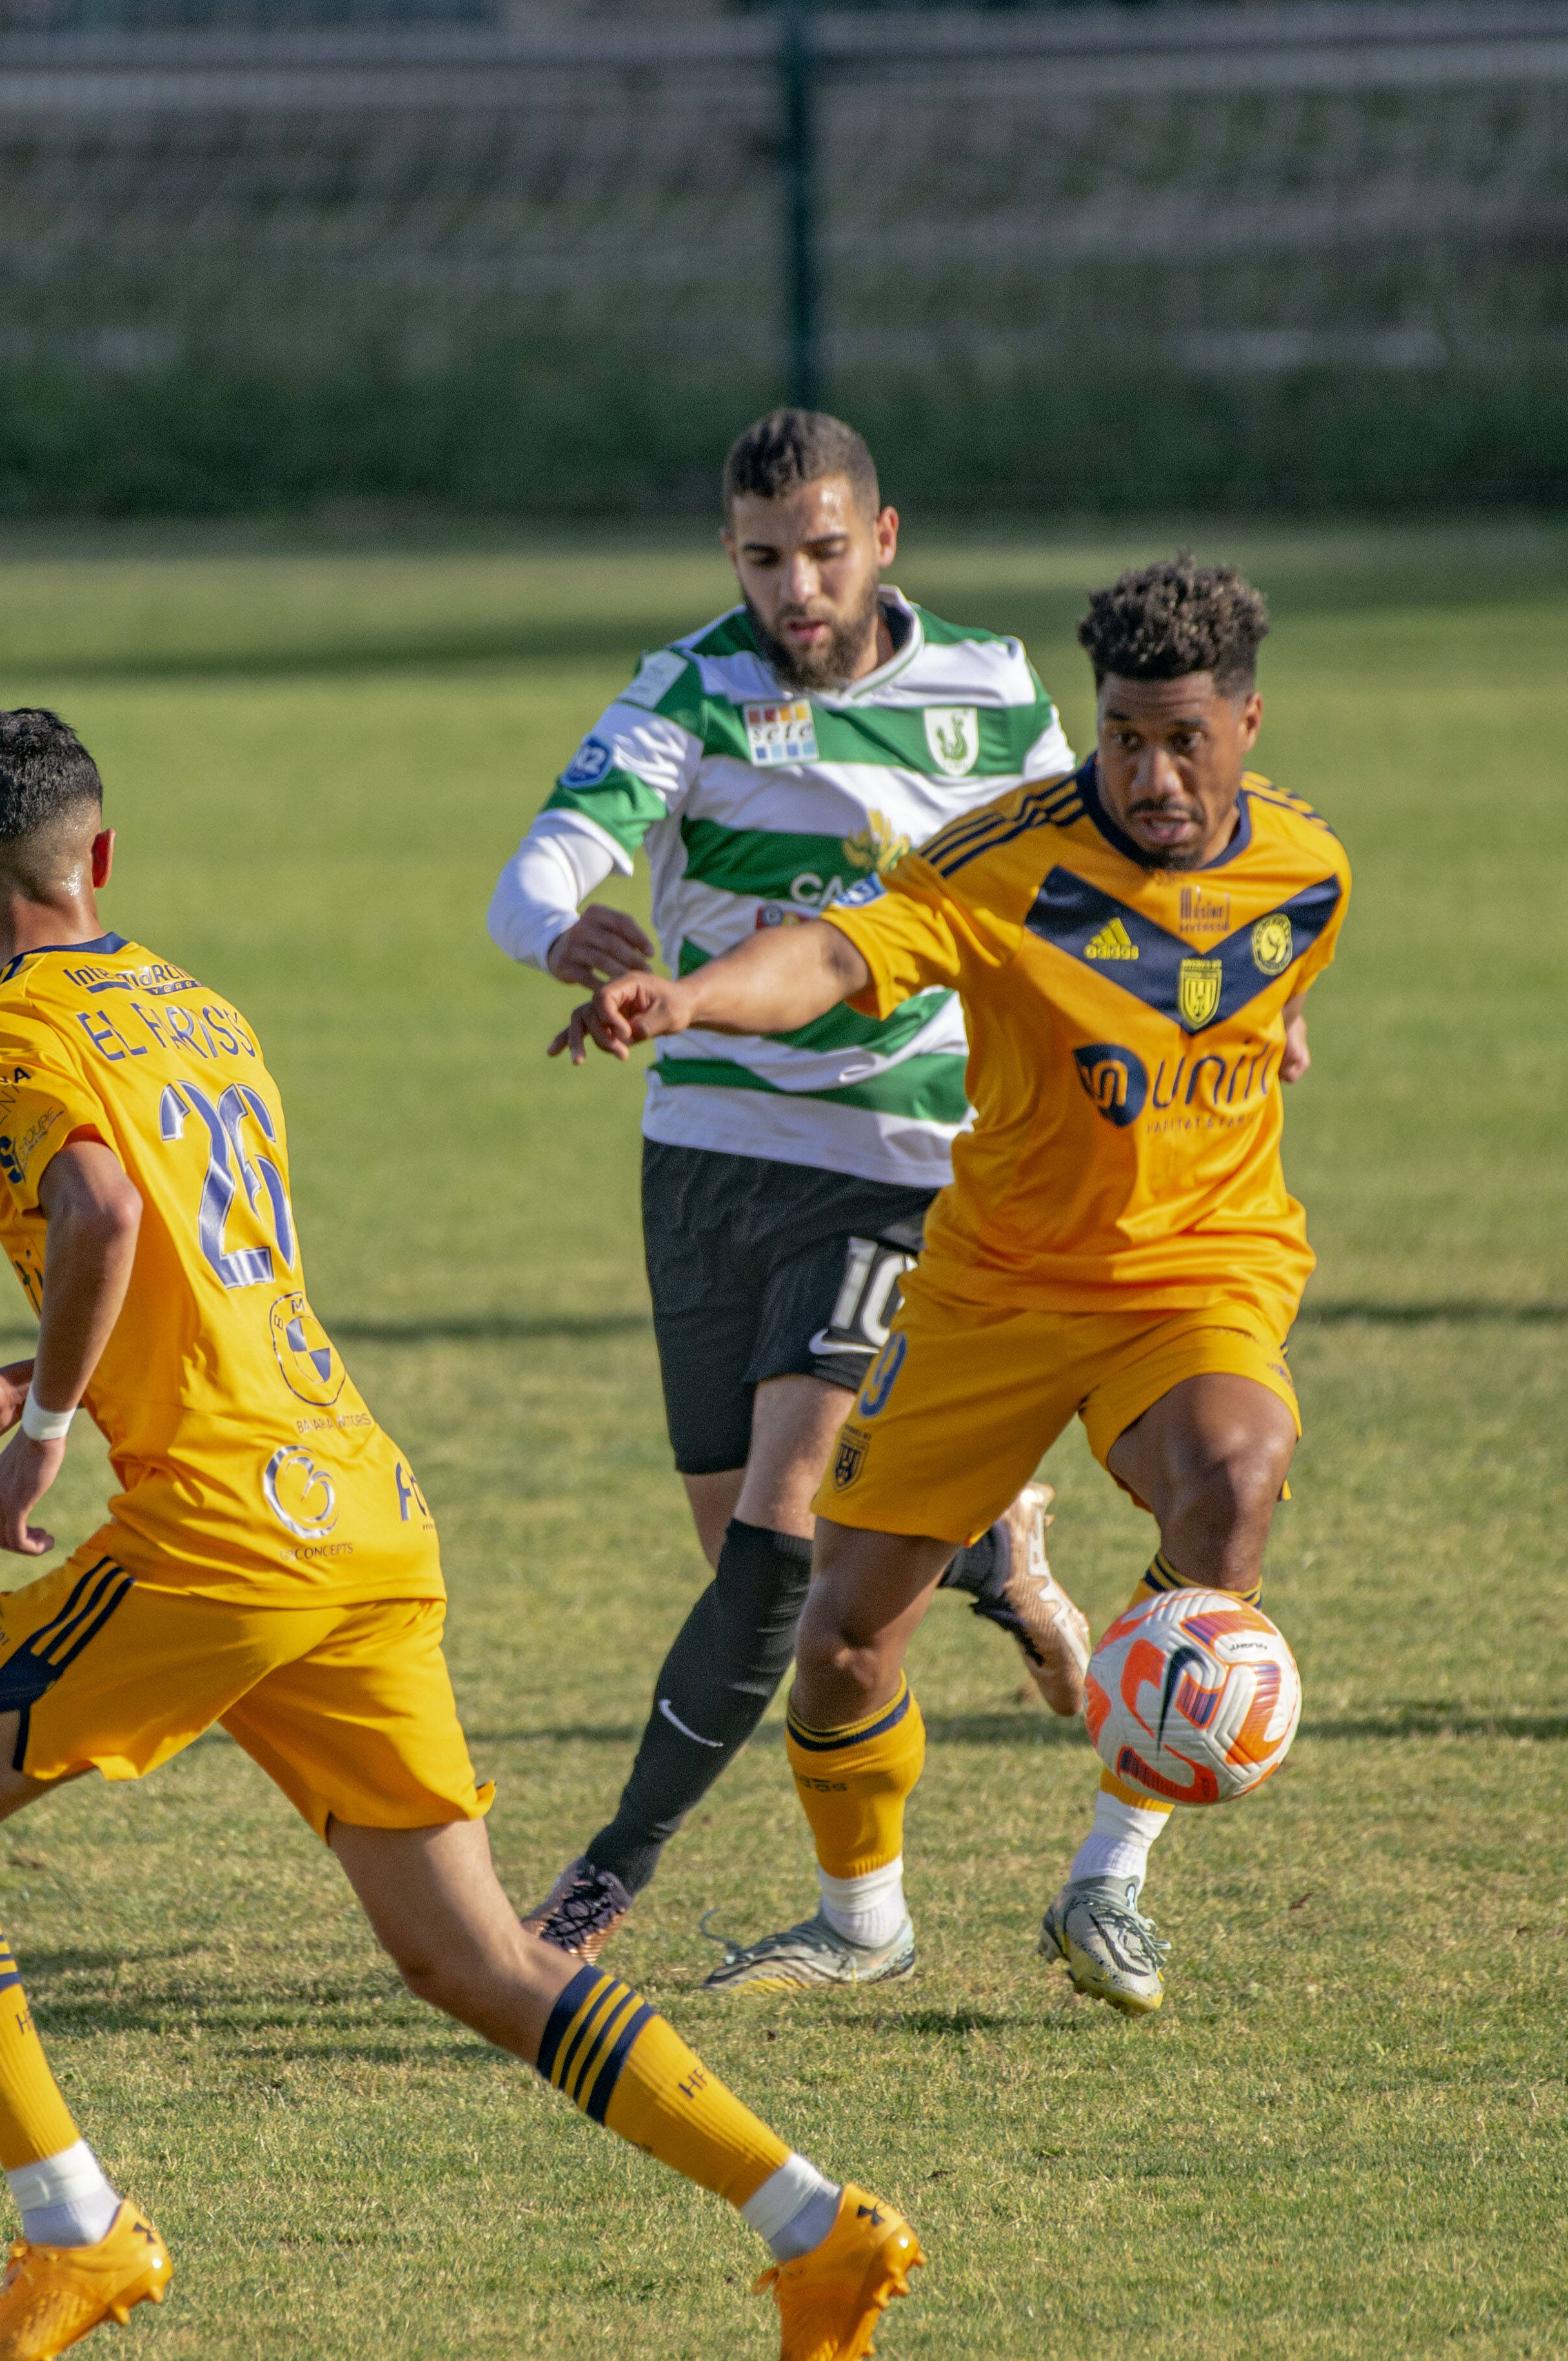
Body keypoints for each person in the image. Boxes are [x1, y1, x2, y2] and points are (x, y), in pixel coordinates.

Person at [0, 706, 921, 2361]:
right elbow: (205, 1273)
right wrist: (19, 1374)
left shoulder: (1, 1030)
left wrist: (41, 1424)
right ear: (100, 857)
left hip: (224, 1535)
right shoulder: (196, 1004)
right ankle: (812, 2221)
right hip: (357, 1503)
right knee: (475, 1958)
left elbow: (103, 1215)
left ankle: (74, 2225)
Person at [552, 556, 1347, 2015]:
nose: (1151, 775)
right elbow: (828, 954)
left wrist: (1275, 1026)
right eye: (1122, 737)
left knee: (1234, 1474)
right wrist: (692, 996)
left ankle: (1108, 1877)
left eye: (1183, 739)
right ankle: (861, 1920)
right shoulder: (1002, 863)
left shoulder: (1310, 865)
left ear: (1246, 721)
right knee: (842, 1636)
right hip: (992, 1290)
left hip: (1197, 1274)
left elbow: (1269, 977)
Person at [490, 406, 1092, 1984]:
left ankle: (599, 1880)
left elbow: (1085, 891)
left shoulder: (990, 687)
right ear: (729, 553)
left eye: (823, 552)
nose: (795, 589)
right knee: (765, 1562)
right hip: (704, 1153)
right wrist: (562, 928)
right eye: (762, 558)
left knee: (771, 1533)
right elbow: (539, 864)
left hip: (895, 1155)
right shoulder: (689, 687)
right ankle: (985, 1550)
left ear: (880, 539)